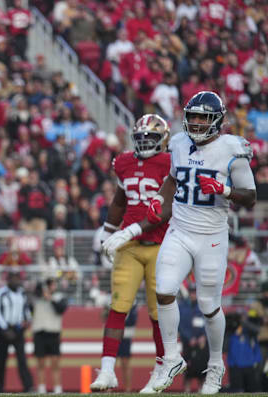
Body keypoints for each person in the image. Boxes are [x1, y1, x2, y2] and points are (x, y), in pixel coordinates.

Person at [146, 91, 257, 393]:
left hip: (211, 236)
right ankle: (171, 358)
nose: (195, 122)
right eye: (192, 116)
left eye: (202, 117)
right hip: (179, 230)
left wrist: (225, 189)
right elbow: (172, 178)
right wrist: (159, 200)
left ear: (217, 121)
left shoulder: (232, 148)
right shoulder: (180, 143)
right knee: (164, 290)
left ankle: (216, 366)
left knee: (209, 306)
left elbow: (250, 197)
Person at [92, 114, 172, 392]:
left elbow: (165, 211)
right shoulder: (124, 162)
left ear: (162, 140)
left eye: (150, 138)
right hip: (130, 247)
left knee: (158, 313)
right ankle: (106, 370)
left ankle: (162, 369)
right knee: (117, 307)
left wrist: (126, 231)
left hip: (160, 244)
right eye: (140, 138)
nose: (144, 143)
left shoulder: (169, 163)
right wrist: (107, 230)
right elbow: (119, 200)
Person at [0, 272, 34, 392]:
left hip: (18, 329)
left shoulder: (22, 293)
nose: (16, 281)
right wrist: (4, 328)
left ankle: (28, 386)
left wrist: (27, 321)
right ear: (8, 280)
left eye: (18, 279)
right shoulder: (1, 292)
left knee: (22, 359)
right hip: (4, 330)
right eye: (14, 279)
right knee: (1, 359)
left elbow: (27, 309)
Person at [32, 278, 68, 394]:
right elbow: (33, 294)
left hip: (53, 333)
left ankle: (57, 388)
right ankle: (41, 388)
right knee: (40, 363)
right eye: (50, 285)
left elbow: (60, 309)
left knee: (55, 363)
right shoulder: (37, 298)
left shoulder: (59, 297)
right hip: (39, 332)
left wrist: (50, 298)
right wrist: (42, 292)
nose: (53, 287)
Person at [179, 284, 207, 392]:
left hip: (201, 342)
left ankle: (201, 390)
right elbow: (180, 325)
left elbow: (207, 322)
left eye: (195, 292)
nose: (193, 294)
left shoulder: (203, 306)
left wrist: (203, 336)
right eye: (191, 292)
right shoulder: (182, 306)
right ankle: (187, 390)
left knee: (202, 368)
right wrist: (189, 338)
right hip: (188, 343)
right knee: (188, 368)